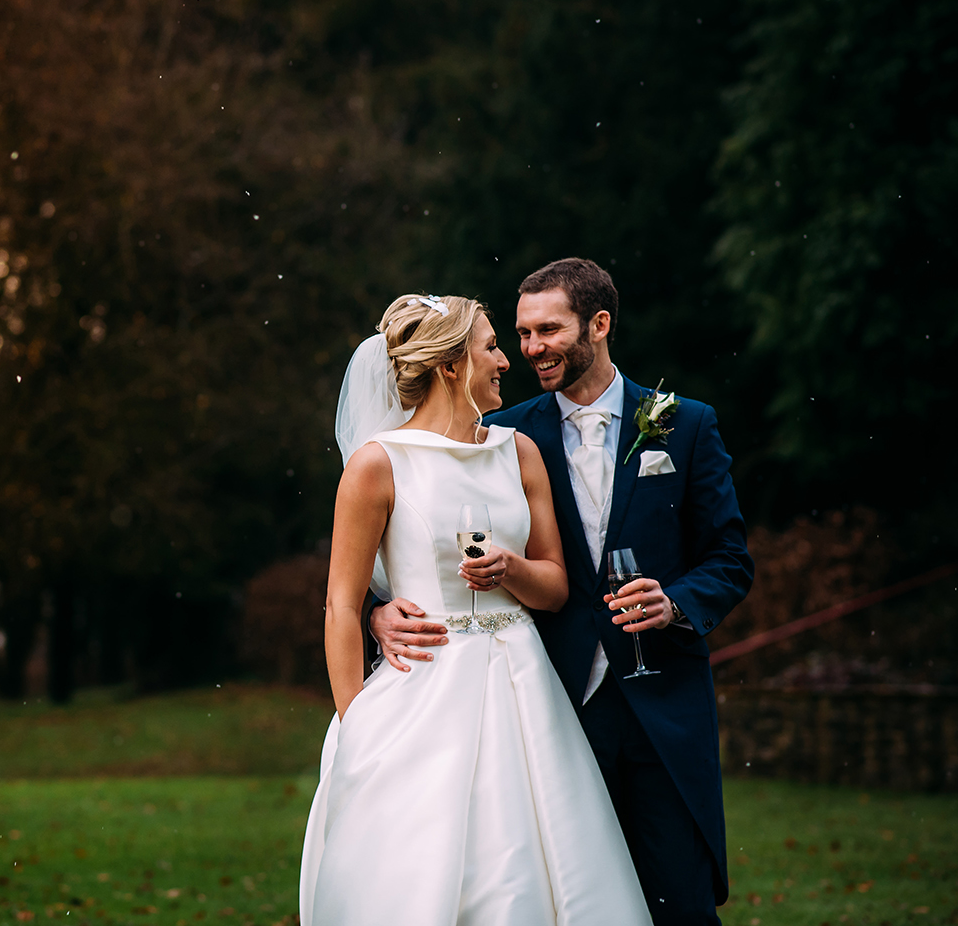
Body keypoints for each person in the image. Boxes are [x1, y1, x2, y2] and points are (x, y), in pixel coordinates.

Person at [370, 259, 754, 926]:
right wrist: (380, 613)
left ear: (599, 324)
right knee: (570, 903)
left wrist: (677, 602)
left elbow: (729, 557)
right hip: (551, 705)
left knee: (680, 901)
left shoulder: (683, 424)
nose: (530, 348)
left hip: (663, 700)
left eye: (548, 329)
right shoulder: (500, 433)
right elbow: (417, 515)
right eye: (520, 333)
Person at [300, 292, 652, 926]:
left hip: (524, 686)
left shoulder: (518, 452)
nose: (504, 361)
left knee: (535, 859)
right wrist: (356, 725)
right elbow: (341, 605)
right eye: (491, 346)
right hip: (424, 688)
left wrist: (511, 571)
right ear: (451, 366)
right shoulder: (377, 465)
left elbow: (556, 586)